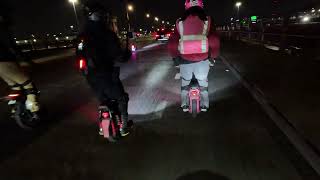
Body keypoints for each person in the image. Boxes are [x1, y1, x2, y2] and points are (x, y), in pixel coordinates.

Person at [79, 1, 130, 136]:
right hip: (107, 74)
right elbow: (120, 57)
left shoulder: (81, 37)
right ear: (98, 16)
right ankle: (124, 125)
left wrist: (86, 72)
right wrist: (127, 52)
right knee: (122, 98)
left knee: (103, 99)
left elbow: (79, 58)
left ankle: (103, 125)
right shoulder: (107, 35)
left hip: (91, 78)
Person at [168, 0, 220, 112]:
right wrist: (213, 58)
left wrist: (175, 58)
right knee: (203, 84)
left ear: (186, 7)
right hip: (203, 60)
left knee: (185, 83)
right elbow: (214, 40)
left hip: (184, 60)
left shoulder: (179, 22)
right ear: (201, 6)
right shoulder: (208, 21)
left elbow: (172, 42)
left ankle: (184, 105)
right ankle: (205, 105)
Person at [0, 1, 40, 113]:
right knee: (28, 84)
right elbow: (12, 46)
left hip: (1, 68)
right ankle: (33, 109)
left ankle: (15, 109)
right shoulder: (2, 29)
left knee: (15, 86)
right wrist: (26, 59)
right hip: (5, 61)